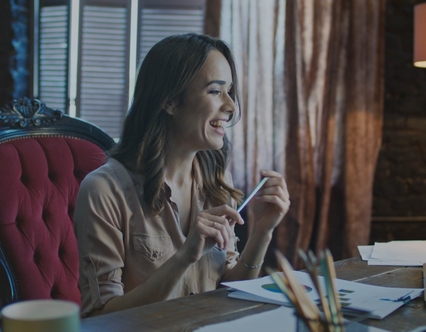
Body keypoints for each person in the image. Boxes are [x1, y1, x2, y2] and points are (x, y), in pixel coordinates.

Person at [74, 33, 290, 317]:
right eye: (215, 91)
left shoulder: (216, 178)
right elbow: (102, 317)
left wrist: (263, 231)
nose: (231, 106)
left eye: (230, 92)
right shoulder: (104, 190)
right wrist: (185, 258)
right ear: (171, 102)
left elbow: (231, 295)